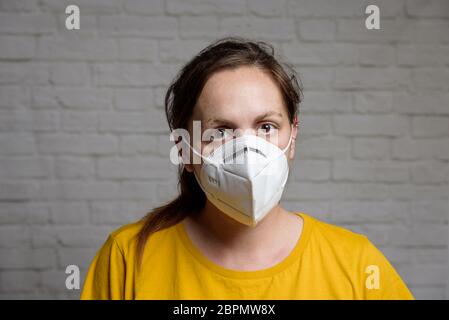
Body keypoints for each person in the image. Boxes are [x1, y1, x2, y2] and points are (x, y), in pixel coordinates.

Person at [80, 37, 414, 300]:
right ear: (185, 147)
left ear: (292, 136)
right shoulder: (127, 259)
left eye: (266, 126)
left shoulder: (357, 264)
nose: (247, 151)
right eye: (221, 131)